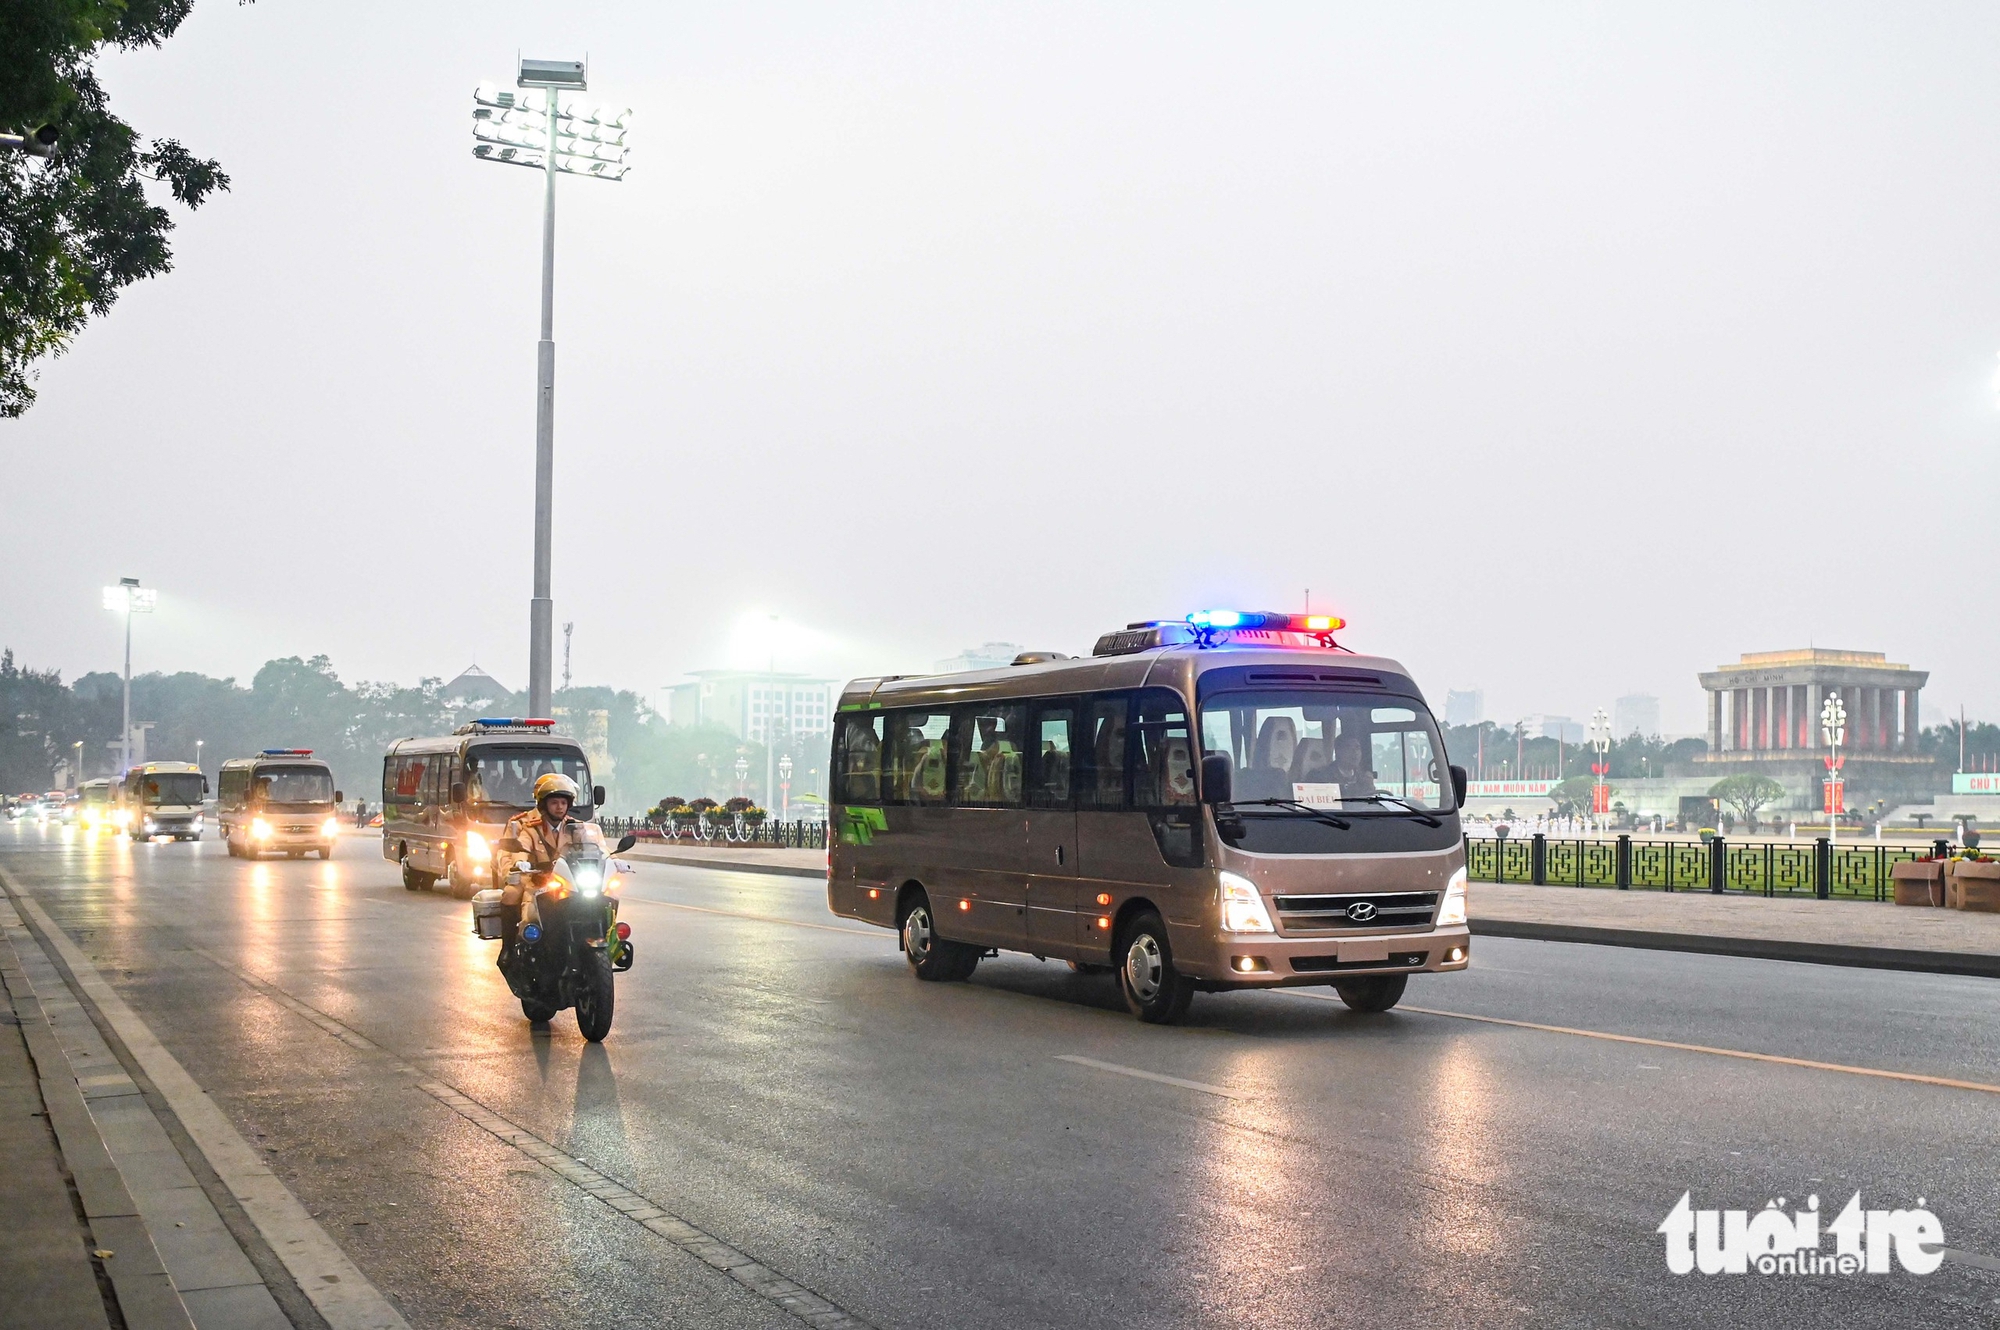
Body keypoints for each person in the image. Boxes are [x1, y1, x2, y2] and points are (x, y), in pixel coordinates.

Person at [498, 773, 580, 942]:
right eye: (554, 802)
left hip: (566, 878)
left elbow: (596, 845)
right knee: (511, 894)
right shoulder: (526, 825)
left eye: (563, 803)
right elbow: (517, 849)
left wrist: (614, 861)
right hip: (533, 876)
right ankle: (510, 945)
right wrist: (518, 866)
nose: (559, 807)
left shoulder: (573, 826)